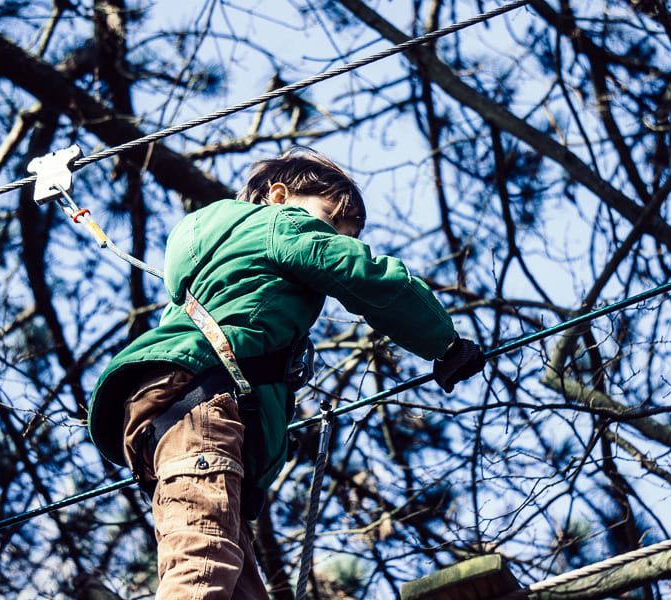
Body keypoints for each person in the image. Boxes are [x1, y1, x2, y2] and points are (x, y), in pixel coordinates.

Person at [87, 149, 485, 599]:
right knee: (202, 564)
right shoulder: (280, 226)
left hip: (163, 421)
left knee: (232, 582)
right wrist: (443, 342)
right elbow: (365, 274)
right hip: (198, 415)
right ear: (279, 197)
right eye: (331, 225)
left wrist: (265, 431)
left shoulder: (217, 270)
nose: (336, 238)